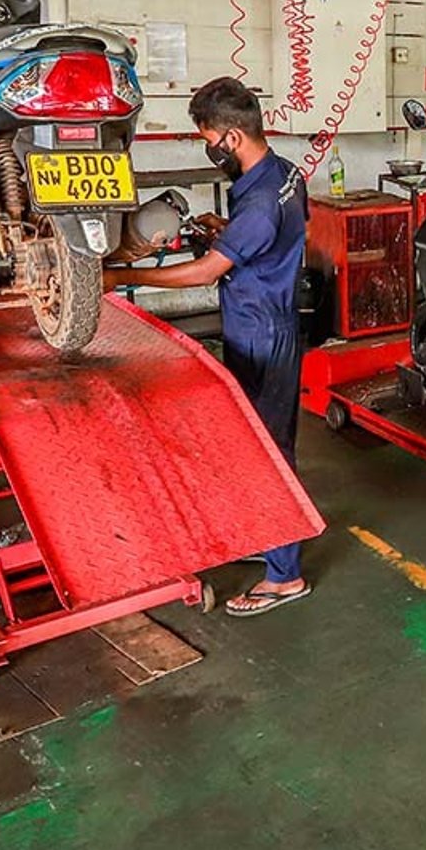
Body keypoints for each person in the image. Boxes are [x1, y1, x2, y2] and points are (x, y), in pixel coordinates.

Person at [103, 77, 311, 618]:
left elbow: (205, 273)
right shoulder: (283, 175)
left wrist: (123, 273)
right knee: (250, 443)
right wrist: (224, 229)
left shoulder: (263, 202)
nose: (208, 148)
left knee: (267, 454)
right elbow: (268, 239)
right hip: (266, 321)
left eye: (209, 139)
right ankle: (266, 541)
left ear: (233, 137)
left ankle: (284, 576)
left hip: (262, 331)